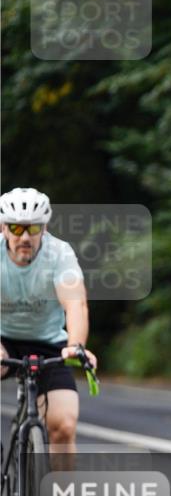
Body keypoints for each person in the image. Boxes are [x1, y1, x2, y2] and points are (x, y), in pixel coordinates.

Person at [0, 188, 98, 470]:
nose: (25, 237)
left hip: (49, 344)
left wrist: (76, 346)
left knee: (64, 426)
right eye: (17, 228)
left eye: (33, 228)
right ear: (4, 228)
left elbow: (75, 303)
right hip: (3, 340)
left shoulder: (59, 254)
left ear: (44, 228)